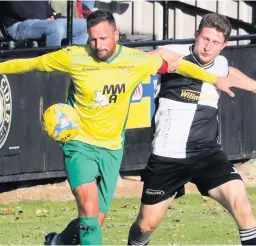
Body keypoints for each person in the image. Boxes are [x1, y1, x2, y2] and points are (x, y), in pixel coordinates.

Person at [0, 10, 239, 246]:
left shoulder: (136, 61)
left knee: (95, 220)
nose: (98, 45)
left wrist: (214, 79)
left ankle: (59, 241)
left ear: (117, 34)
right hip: (79, 144)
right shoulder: (74, 56)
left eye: (103, 38)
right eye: (92, 39)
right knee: (89, 208)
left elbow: (178, 66)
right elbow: (31, 63)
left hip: (112, 149)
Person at [127, 13, 256, 246]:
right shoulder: (173, 55)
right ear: (196, 35)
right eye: (204, 39)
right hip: (168, 157)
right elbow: (139, 61)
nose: (208, 47)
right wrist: (154, 55)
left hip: (207, 155)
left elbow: (229, 73)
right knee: (145, 225)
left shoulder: (220, 62)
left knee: (243, 208)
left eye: (215, 42)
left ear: (224, 45)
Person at [0, 1, 88, 47]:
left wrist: (52, 15)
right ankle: (54, 67)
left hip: (42, 22)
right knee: (56, 28)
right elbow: (15, 8)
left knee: (85, 25)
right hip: (17, 26)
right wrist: (44, 19)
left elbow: (44, 5)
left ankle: (74, 63)